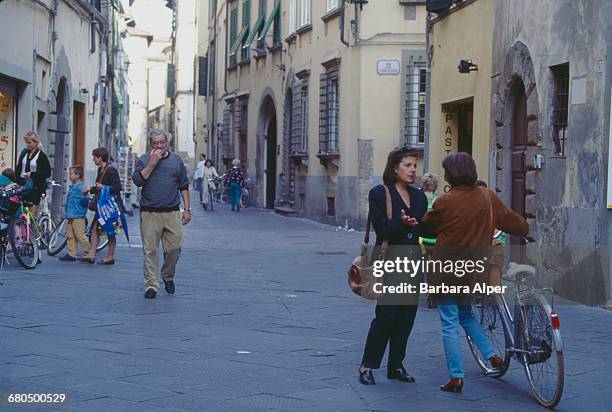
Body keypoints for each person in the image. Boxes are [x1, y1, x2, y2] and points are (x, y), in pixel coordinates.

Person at [420, 152, 529, 394]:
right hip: (475, 271)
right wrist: (525, 228)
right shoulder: (487, 197)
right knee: (466, 315)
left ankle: (456, 377)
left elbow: (426, 226)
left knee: (449, 322)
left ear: (450, 175)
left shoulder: (445, 202)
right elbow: (512, 221)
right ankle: (491, 355)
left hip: (447, 271)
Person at [359, 147, 428, 386]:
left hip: (412, 260)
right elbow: (382, 229)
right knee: (386, 315)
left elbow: (422, 228)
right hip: (389, 259)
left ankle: (396, 365)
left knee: (406, 316)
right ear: (395, 167)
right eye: (407, 165)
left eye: (414, 166)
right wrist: (401, 223)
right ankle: (367, 364)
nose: (412, 170)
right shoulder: (380, 193)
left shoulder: (420, 196)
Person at [133, 128, 191, 299]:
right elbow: (137, 181)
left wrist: (187, 209)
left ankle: (167, 275)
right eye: (155, 143)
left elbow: (184, 185)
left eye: (162, 142)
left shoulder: (176, 161)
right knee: (150, 250)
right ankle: (151, 285)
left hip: (172, 212)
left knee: (174, 248)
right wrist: (152, 162)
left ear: (167, 142)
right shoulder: (143, 160)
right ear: (150, 144)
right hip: (150, 213)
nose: (159, 146)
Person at [78, 148, 123, 265]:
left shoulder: (111, 170)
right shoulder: (100, 170)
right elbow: (99, 186)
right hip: (101, 205)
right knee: (95, 229)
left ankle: (109, 256)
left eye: (94, 157)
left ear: (100, 157)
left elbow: (118, 187)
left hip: (109, 207)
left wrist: (103, 188)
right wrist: (90, 190)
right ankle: (92, 254)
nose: (93, 159)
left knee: (109, 230)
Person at [15, 131, 51, 216]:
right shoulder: (24, 153)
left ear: (35, 143)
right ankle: (24, 229)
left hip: (35, 188)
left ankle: (33, 229)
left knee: (31, 216)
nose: (27, 145)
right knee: (22, 216)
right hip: (23, 186)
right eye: (26, 142)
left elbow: (47, 172)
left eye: (29, 142)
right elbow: (19, 168)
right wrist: (16, 181)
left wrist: (32, 174)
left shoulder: (41, 155)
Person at [59, 166, 91, 262]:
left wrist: (85, 196)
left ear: (77, 175)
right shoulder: (72, 187)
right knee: (70, 236)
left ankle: (89, 253)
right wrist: (67, 213)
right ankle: (72, 253)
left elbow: (86, 202)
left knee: (80, 235)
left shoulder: (82, 188)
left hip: (78, 216)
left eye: (71, 173)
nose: (69, 175)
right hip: (70, 215)